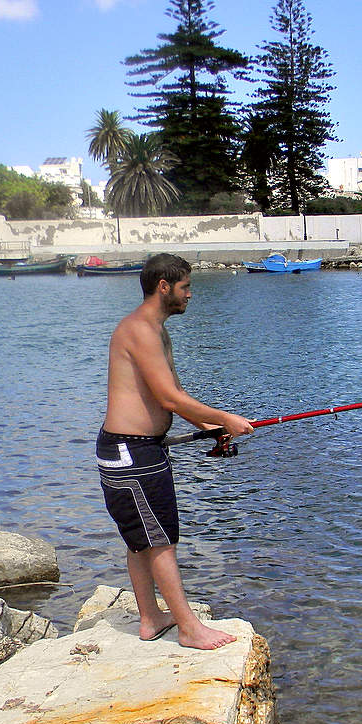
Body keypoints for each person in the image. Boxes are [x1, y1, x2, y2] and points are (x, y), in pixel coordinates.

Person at [96, 253, 253, 649]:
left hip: (134, 451)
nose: (190, 295)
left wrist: (211, 428)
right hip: (132, 454)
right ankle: (188, 628)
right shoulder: (139, 330)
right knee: (160, 540)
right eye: (185, 287)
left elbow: (175, 395)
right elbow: (167, 398)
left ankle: (150, 618)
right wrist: (227, 417)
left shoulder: (156, 330)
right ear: (163, 286)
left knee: (140, 540)